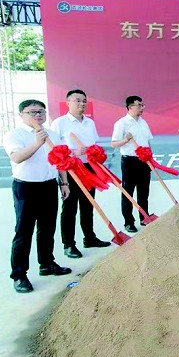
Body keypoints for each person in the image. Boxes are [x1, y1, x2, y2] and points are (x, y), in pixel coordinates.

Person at [3, 99, 72, 293]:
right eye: (32, 112)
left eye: (41, 111)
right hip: (26, 187)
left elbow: (60, 159)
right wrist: (37, 143)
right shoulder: (14, 135)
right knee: (24, 231)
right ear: (21, 115)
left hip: (49, 185)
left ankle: (47, 263)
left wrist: (64, 183)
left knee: (47, 228)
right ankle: (19, 275)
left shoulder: (52, 134)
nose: (38, 115)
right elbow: (17, 157)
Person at [50, 89, 111, 258]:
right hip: (71, 169)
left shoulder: (89, 123)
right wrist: (73, 152)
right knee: (70, 207)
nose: (82, 104)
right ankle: (69, 244)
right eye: (77, 100)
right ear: (68, 103)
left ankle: (89, 238)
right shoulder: (59, 123)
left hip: (89, 168)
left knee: (88, 204)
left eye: (84, 101)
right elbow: (54, 150)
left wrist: (95, 153)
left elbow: (93, 144)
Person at [111, 96, 153, 233]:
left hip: (144, 161)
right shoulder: (121, 123)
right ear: (130, 107)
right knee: (128, 192)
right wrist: (125, 140)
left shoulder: (143, 122)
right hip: (130, 161)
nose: (142, 108)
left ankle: (144, 217)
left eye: (142, 105)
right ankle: (128, 222)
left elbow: (148, 141)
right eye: (139, 105)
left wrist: (150, 157)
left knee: (144, 192)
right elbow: (113, 144)